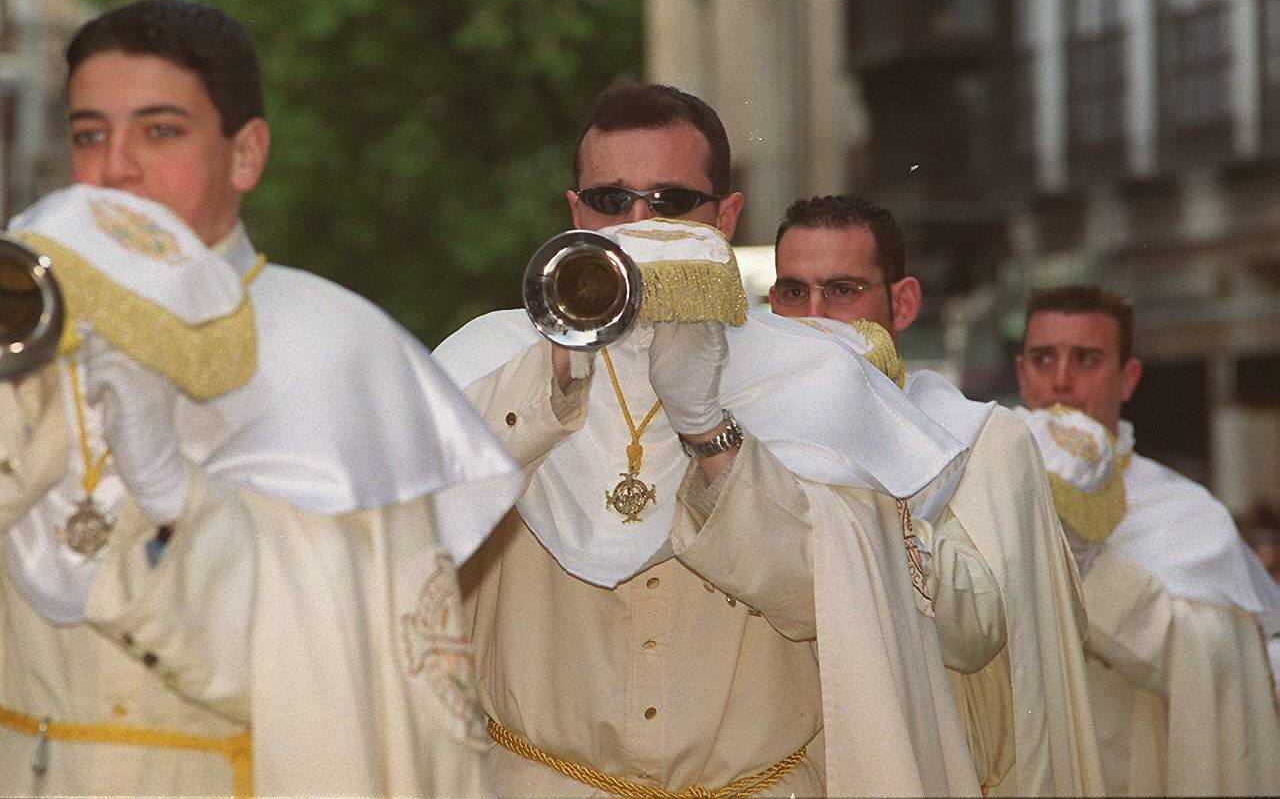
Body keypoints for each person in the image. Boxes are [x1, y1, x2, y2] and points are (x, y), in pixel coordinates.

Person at [0, 0, 521, 796]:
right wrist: (5, 403)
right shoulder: (3, 332)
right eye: (89, 134)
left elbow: (325, 682)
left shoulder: (338, 348)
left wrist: (173, 494)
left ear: (245, 154)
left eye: (160, 130)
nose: (117, 167)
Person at [433, 84, 981, 796]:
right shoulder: (489, 358)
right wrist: (554, 369)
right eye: (610, 201)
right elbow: (412, 540)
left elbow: (837, 606)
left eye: (669, 203)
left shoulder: (820, 373)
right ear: (574, 214)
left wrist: (706, 428)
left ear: (725, 216)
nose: (638, 224)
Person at [770, 195, 1103, 796]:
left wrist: (856, 494)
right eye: (794, 294)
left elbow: (974, 634)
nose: (814, 317)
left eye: (842, 291)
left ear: (902, 304)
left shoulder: (980, 441)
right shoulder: (744, 435)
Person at [1017, 284, 1280, 795]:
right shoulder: (979, 494)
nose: (1062, 382)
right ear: (1020, 373)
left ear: (1127, 379)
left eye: (1087, 359)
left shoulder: (1187, 512)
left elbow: (1240, 665)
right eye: (1043, 358)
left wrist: (1080, 561)